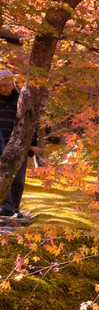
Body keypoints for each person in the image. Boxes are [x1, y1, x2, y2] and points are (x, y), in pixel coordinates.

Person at [0, 69, 40, 219]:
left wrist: (33, 143)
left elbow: (32, 123)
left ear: (13, 83)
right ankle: (6, 207)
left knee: (18, 179)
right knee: (1, 176)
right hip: (0, 144)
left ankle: (14, 208)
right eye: (0, 85)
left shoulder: (21, 100)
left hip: (19, 145)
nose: (3, 88)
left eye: (6, 85)